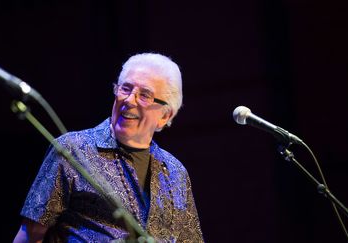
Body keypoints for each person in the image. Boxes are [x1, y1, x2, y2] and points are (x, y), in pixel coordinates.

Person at [13, 53, 204, 242]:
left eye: (144, 95)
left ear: (165, 116)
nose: (129, 100)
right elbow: (30, 235)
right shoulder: (73, 149)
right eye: (125, 89)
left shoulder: (176, 172)